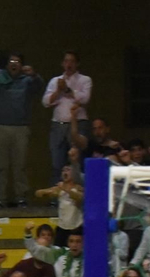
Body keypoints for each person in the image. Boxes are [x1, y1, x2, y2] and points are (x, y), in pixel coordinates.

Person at [0, 45, 41, 207]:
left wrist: (34, 75)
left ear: (21, 65)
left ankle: (21, 197)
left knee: (20, 166)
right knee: (1, 167)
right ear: (7, 64)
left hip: (20, 129)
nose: (14, 63)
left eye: (17, 61)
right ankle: (0, 198)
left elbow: (39, 87)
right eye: (11, 61)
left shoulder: (27, 80)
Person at [42, 51, 92, 182]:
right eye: (66, 61)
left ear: (77, 64)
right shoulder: (55, 81)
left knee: (76, 159)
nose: (68, 64)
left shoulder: (85, 80)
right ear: (62, 63)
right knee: (56, 162)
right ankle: (56, 199)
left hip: (78, 123)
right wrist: (58, 90)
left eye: (72, 61)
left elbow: (85, 99)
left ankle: (78, 195)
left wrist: (67, 90)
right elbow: (46, 102)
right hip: (58, 124)